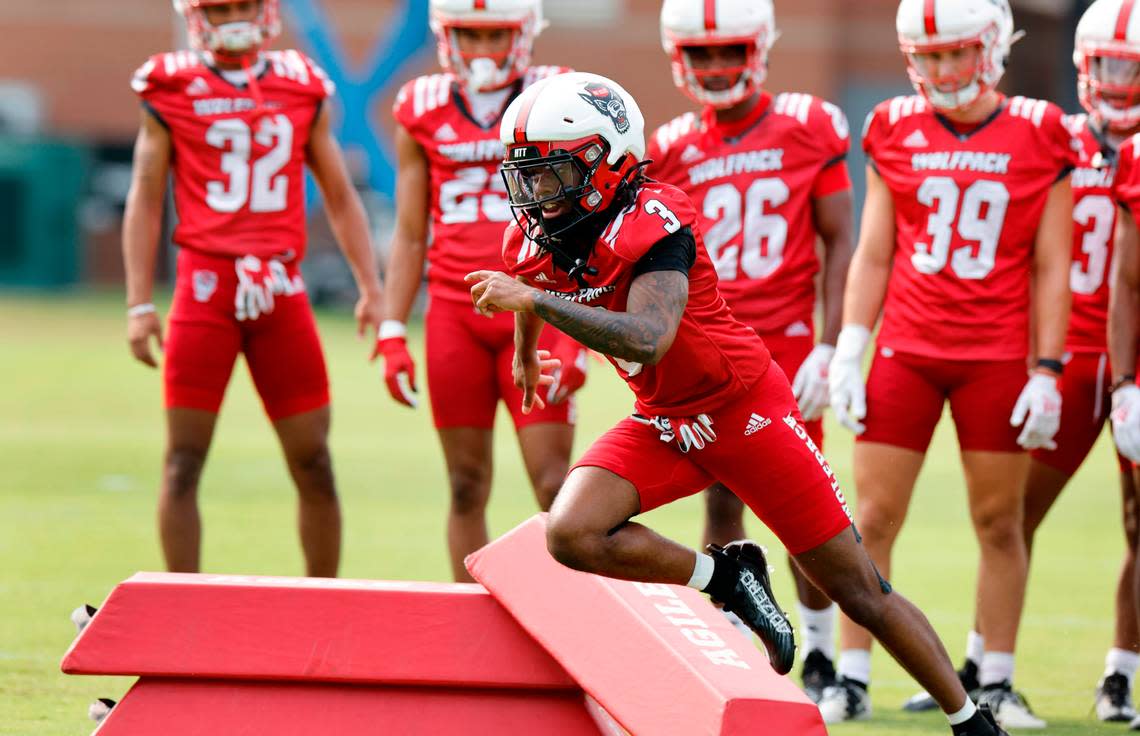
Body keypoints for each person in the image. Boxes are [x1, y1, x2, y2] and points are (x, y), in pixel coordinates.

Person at [466, 69, 1008, 736]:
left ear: (607, 163)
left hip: (743, 412)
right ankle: (726, 576)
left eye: (551, 174)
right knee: (571, 532)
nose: (536, 195)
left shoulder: (655, 222)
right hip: (665, 421)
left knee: (859, 591)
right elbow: (525, 277)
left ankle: (972, 721)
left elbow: (650, 336)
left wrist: (537, 306)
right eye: (527, 175)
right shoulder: (539, 235)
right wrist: (526, 347)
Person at [824, 0, 1076, 727]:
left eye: (955, 53)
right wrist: (850, 347)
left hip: (996, 354)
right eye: (927, 55)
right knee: (868, 518)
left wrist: (1048, 369)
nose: (940, 69)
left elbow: (1052, 264)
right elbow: (875, 250)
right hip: (907, 347)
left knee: (1000, 522)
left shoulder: (1040, 129)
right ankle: (851, 675)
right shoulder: (893, 125)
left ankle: (994, 679)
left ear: (991, 47)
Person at [905, 0, 1140, 723]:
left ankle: (1120, 674)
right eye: (1108, 65)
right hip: (1064, 353)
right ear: (1083, 66)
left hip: (1129, 362)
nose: (1120, 81)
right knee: (1011, 513)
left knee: (1138, 523)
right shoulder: (1052, 136)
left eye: (1133, 68)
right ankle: (981, 665)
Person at [122, 0, 384, 576]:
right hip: (205, 287)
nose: (233, 16)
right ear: (197, 17)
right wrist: (140, 302)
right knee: (183, 462)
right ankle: (181, 606)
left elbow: (340, 195)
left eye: (243, 4)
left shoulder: (300, 85)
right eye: (220, 8)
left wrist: (372, 285)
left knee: (314, 461)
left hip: (281, 288)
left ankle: (323, 607)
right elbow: (144, 196)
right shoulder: (170, 86)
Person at [646, 0, 854, 701]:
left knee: (803, 511)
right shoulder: (670, 144)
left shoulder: (807, 123)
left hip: (789, 345)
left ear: (759, 47)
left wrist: (832, 344)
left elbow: (840, 241)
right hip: (711, 347)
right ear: (679, 57)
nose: (714, 65)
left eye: (727, 50)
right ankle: (737, 649)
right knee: (719, 500)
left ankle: (823, 658)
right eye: (701, 54)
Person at [379, 0, 585, 582]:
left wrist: (580, 334)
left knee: (554, 484)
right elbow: (411, 230)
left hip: (538, 300)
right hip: (453, 309)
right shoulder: (420, 106)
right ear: (446, 37)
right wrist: (394, 328)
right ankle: (475, 628)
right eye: (468, 35)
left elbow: (584, 220)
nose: (482, 49)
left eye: (496, 33)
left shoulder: (558, 95)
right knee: (466, 485)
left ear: (524, 33)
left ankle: (572, 623)